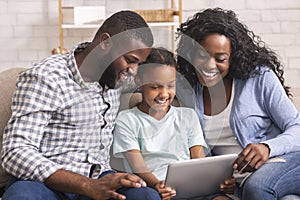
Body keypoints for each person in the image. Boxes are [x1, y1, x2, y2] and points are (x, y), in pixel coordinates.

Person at [1, 10, 162, 200]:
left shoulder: (118, 76)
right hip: (47, 183)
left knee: (146, 196)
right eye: (130, 60)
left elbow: (161, 77)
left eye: (138, 64)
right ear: (105, 43)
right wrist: (87, 185)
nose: (133, 71)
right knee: (22, 196)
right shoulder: (46, 77)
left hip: (99, 177)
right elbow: (15, 152)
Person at [175, 7, 300, 200]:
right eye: (202, 55)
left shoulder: (259, 78)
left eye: (220, 59)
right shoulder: (187, 91)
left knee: (257, 187)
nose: (209, 65)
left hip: (280, 161)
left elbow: (296, 127)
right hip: (235, 180)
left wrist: (267, 147)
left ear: (233, 58)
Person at [113, 47, 236, 200]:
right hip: (155, 189)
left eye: (170, 86)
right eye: (155, 87)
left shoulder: (188, 116)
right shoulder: (126, 120)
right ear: (139, 83)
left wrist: (216, 182)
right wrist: (157, 185)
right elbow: (137, 166)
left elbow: (198, 158)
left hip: (191, 186)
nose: (164, 94)